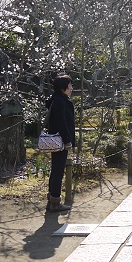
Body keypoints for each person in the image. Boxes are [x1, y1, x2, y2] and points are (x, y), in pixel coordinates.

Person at [44, 74, 76, 212]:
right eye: (70, 86)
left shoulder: (57, 100)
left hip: (57, 140)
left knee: (56, 170)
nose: (71, 89)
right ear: (63, 88)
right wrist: (67, 140)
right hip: (60, 140)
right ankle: (55, 201)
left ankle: (52, 199)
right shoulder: (60, 101)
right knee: (58, 171)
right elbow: (62, 123)